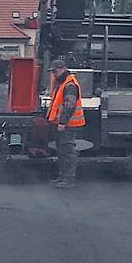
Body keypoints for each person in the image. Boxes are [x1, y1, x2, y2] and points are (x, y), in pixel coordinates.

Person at [46, 59, 84, 189]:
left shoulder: (69, 85)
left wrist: (62, 122)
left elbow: (70, 105)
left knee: (67, 152)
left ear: (62, 69)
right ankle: (63, 177)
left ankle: (69, 179)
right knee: (62, 152)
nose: (54, 74)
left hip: (68, 125)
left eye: (55, 71)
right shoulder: (63, 83)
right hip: (63, 124)